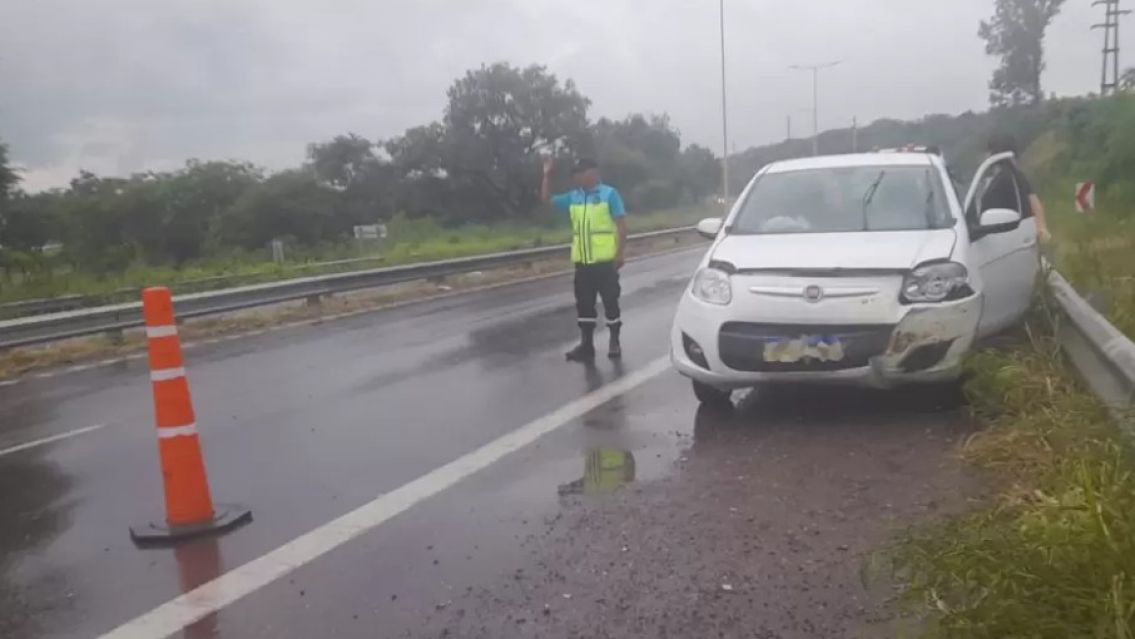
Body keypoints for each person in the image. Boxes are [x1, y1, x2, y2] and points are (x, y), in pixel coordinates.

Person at [541, 157, 629, 361]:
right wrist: (546, 174)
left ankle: (614, 341)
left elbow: (622, 226)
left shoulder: (609, 194)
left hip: (605, 262)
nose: (576, 176)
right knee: (584, 305)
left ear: (593, 173)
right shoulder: (574, 197)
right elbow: (546, 199)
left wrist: (620, 253)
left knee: (610, 302)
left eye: (581, 172)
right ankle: (586, 345)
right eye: (575, 173)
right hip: (582, 263)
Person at [982, 134, 1051, 243]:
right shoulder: (1016, 176)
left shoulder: (1002, 180)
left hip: (1007, 240)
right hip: (1021, 235)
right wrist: (1042, 228)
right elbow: (1035, 203)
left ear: (993, 153)